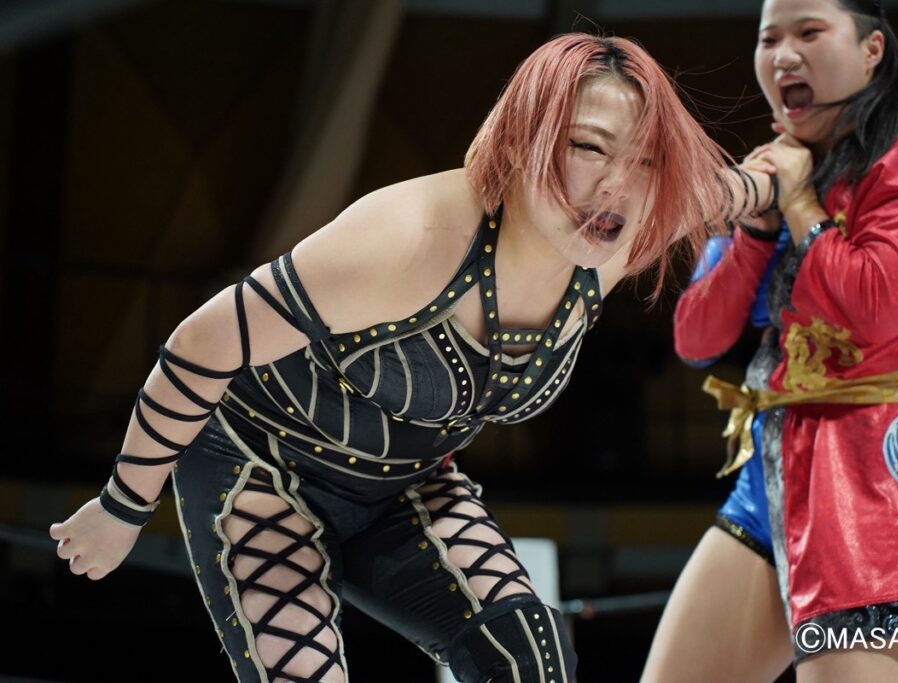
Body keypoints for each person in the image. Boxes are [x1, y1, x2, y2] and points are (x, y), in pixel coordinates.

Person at [48, 33, 774, 683]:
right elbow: (200, 345)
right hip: (260, 469)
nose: (618, 182)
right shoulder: (412, 236)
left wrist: (804, 172)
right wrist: (124, 505)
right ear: (523, 139)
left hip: (407, 484)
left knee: (528, 655)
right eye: (588, 147)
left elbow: (738, 188)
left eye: (643, 158)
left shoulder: (626, 228)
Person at [643, 1, 898, 682]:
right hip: (774, 473)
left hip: (876, 481)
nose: (784, 54)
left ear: (872, 51)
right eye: (769, 39)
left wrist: (800, 206)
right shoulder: (774, 172)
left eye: (809, 32)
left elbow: (872, 306)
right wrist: (758, 227)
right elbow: (697, 337)